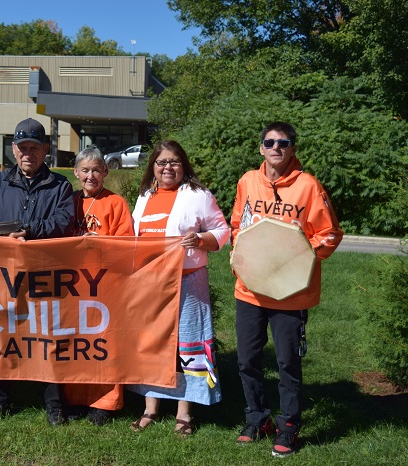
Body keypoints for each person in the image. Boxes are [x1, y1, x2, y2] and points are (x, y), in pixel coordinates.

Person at [231, 121, 343, 457]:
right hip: (250, 289)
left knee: (286, 362)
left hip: (291, 292)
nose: (276, 147)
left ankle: (289, 425)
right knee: (248, 359)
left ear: (293, 148)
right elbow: (238, 225)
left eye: (284, 142)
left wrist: (302, 250)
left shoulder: (308, 186)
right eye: (270, 142)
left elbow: (330, 234)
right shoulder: (247, 182)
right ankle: (257, 418)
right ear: (260, 147)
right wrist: (241, 253)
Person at [0, 117, 74, 425]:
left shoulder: (60, 185)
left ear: (45, 150)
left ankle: (54, 404)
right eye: (21, 148)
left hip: (45, 272)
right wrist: (6, 238)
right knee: (4, 334)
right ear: (13, 151)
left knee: (48, 338)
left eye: (33, 148)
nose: (27, 154)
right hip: (5, 275)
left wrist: (28, 231)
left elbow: (63, 221)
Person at [127, 140, 229, 437]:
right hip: (151, 281)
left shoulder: (199, 195)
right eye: (161, 162)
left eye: (174, 162)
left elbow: (222, 231)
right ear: (153, 168)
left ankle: (185, 411)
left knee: (188, 344)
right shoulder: (145, 197)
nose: (167, 167)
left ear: (183, 166)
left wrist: (200, 240)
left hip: (187, 279)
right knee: (153, 343)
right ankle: (150, 407)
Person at [62, 147, 134, 425]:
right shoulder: (69, 200)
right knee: (76, 343)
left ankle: (105, 402)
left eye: (96, 170)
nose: (90, 175)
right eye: (85, 170)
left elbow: (127, 243)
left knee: (104, 343)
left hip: (105, 285)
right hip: (73, 284)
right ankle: (77, 398)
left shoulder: (116, 203)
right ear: (76, 173)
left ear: (105, 172)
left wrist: (101, 243)